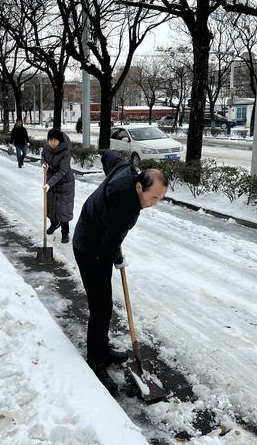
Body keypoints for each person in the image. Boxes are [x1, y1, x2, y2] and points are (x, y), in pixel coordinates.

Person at [72, 150, 168, 393]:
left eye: (160, 199)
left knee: (104, 303)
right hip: (89, 248)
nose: (154, 204)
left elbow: (108, 156)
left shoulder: (125, 169)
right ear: (139, 187)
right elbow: (107, 248)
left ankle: (102, 349)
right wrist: (115, 257)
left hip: (95, 233)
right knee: (101, 305)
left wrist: (113, 251)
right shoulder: (125, 210)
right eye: (153, 198)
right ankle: (96, 360)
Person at [41, 129, 75, 244]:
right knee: (51, 205)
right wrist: (44, 163)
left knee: (63, 208)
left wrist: (49, 183)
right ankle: (54, 224)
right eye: (50, 140)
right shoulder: (47, 148)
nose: (52, 143)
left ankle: (65, 232)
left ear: (59, 141)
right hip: (51, 179)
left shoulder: (65, 152)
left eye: (55, 140)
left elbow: (62, 171)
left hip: (65, 182)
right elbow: (43, 156)